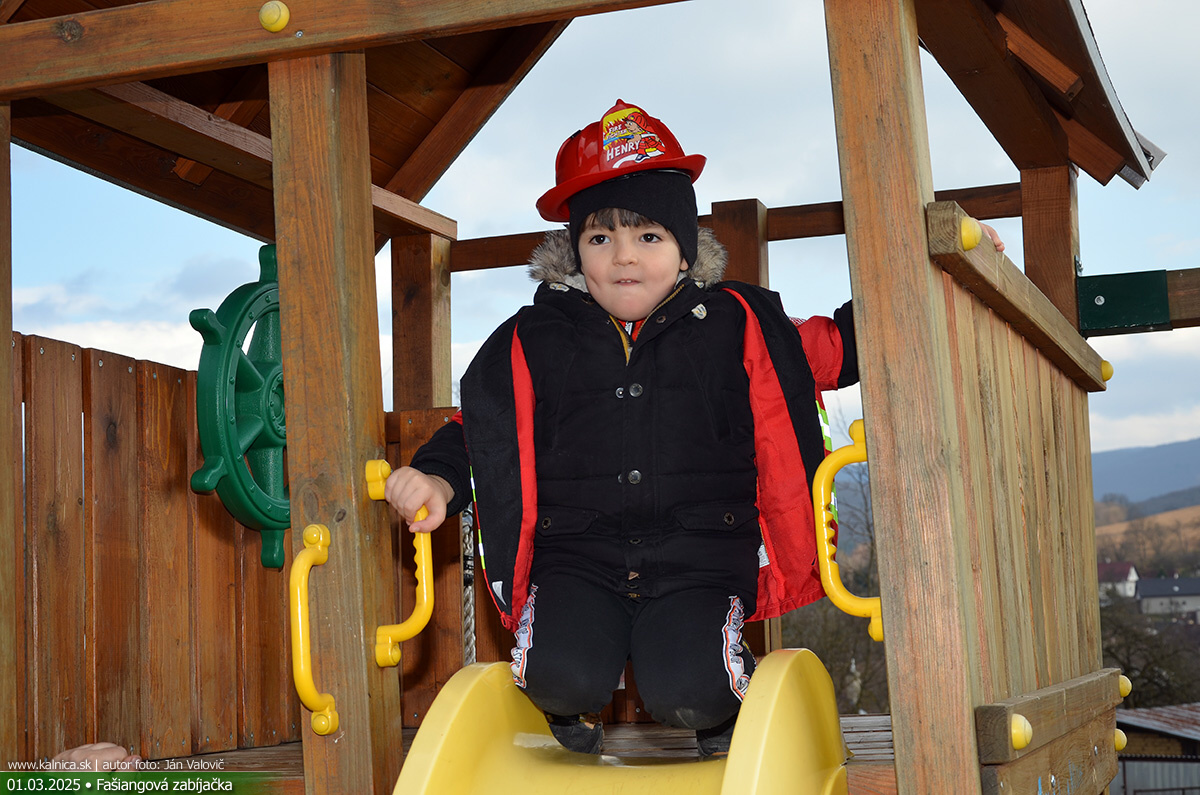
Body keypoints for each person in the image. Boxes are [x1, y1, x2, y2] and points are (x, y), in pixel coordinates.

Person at [383, 99, 998, 758]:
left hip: (700, 559)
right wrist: (437, 479)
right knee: (559, 675)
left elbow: (844, 345)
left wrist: (936, 274)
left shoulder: (738, 324)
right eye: (600, 238)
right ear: (575, 252)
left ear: (683, 251)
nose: (624, 257)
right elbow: (480, 426)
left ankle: (719, 704)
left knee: (686, 690)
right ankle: (568, 701)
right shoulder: (534, 338)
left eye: (648, 237)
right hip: (577, 558)